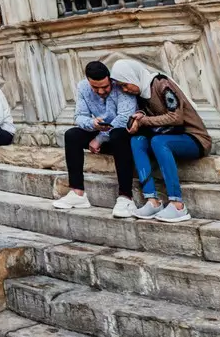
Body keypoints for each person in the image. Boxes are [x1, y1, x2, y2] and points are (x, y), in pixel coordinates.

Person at [112, 58, 211, 223]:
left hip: (195, 138)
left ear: (132, 77)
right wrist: (140, 116)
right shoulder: (142, 93)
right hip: (169, 137)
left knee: (159, 142)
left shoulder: (161, 83)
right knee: (137, 141)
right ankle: (152, 201)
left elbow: (176, 117)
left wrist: (144, 121)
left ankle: (177, 205)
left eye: (125, 84)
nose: (125, 89)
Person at [54, 60, 139, 213]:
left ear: (110, 79)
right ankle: (77, 193)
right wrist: (92, 124)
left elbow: (125, 118)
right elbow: (79, 116)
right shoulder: (83, 87)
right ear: (88, 81)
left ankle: (126, 197)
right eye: (95, 87)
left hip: (123, 134)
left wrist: (99, 138)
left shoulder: (120, 85)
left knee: (118, 134)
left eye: (105, 87)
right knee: (72, 135)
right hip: (100, 128)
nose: (101, 91)